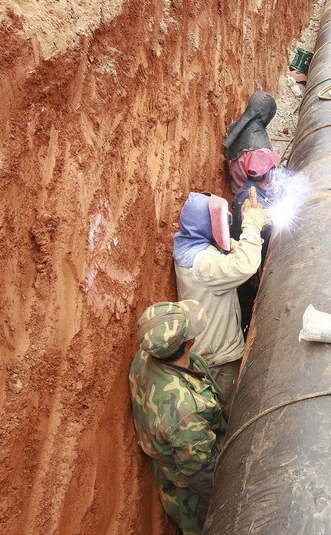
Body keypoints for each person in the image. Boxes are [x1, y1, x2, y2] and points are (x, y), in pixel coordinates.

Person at [128, 300, 225, 535]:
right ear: (189, 342)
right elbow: (201, 473)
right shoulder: (186, 413)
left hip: (173, 458)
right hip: (191, 492)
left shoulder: (143, 358)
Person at [173, 189, 268, 406]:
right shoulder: (203, 264)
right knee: (230, 412)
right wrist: (251, 226)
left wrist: (231, 246)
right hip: (219, 360)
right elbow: (245, 266)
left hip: (205, 350)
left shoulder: (188, 246)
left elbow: (213, 257)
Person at [230, 150, 280, 332]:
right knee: (247, 304)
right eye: (273, 169)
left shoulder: (248, 190)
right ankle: (245, 330)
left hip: (248, 258)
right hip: (250, 266)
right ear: (268, 174)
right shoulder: (252, 202)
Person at [223, 90, 279, 191]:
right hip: (249, 198)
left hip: (238, 188)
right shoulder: (259, 150)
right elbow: (259, 184)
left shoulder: (237, 127)